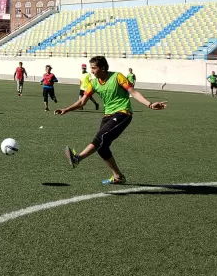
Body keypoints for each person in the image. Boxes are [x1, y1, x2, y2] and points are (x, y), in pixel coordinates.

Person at [57, 55, 167, 185]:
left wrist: (149, 104)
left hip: (123, 113)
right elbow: (82, 102)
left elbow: (134, 92)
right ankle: (118, 176)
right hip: (107, 116)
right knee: (101, 147)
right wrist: (66, 109)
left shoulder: (117, 76)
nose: (91, 71)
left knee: (100, 136)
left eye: (94, 68)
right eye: (91, 68)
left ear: (102, 68)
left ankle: (78, 158)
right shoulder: (94, 83)